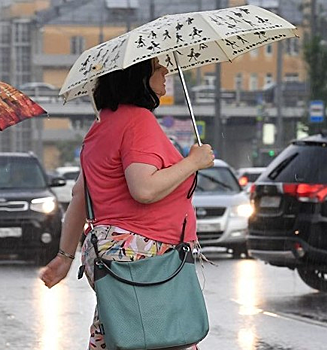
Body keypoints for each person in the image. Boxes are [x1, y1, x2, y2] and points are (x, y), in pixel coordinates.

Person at [39, 57, 215, 349]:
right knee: (164, 337)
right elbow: (143, 188)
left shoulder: (101, 127)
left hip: (111, 254)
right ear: (137, 75)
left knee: (121, 335)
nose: (166, 71)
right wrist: (192, 163)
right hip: (146, 255)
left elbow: (81, 198)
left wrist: (64, 256)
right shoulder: (138, 120)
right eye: (157, 66)